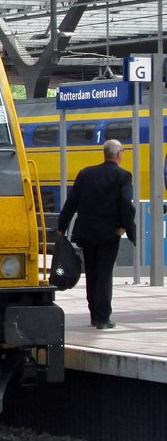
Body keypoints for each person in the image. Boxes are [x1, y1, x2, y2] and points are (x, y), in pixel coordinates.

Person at [57, 139, 137, 329]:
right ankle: (102, 317)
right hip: (109, 234)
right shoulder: (123, 176)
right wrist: (126, 227)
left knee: (92, 273)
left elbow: (71, 202)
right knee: (104, 274)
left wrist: (62, 226)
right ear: (118, 154)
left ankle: (94, 314)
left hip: (87, 233)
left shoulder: (86, 174)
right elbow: (126, 204)